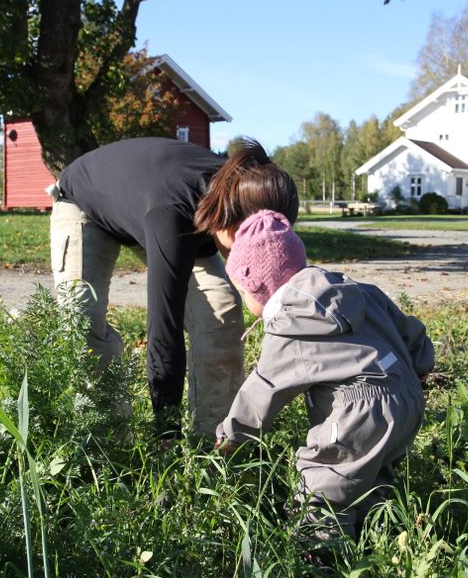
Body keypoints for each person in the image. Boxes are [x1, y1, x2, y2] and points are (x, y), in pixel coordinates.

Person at [51, 137, 298, 439]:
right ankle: (108, 442)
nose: (251, 256)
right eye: (247, 246)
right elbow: (163, 334)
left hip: (162, 202)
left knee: (223, 313)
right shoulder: (172, 217)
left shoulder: (248, 190)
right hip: (85, 202)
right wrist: (165, 433)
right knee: (83, 322)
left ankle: (217, 441)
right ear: (228, 220)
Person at [215, 210, 433, 539]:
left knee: (325, 485)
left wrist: (232, 435)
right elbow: (412, 331)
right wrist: (420, 368)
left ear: (259, 288)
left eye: (244, 293)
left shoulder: (289, 325)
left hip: (357, 411)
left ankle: (320, 557)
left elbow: (264, 389)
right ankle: (382, 537)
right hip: (407, 398)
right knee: (373, 473)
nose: (245, 300)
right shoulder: (360, 290)